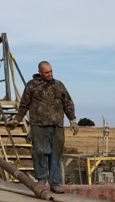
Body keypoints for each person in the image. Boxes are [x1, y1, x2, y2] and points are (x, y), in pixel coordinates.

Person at [7, 60, 78, 193]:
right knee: (39, 153)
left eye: (51, 71)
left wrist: (72, 119)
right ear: (40, 72)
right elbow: (24, 105)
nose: (49, 74)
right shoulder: (32, 86)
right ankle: (41, 180)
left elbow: (67, 103)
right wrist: (17, 120)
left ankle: (55, 183)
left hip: (57, 126)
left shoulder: (59, 85)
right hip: (39, 126)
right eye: (46, 72)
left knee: (56, 155)